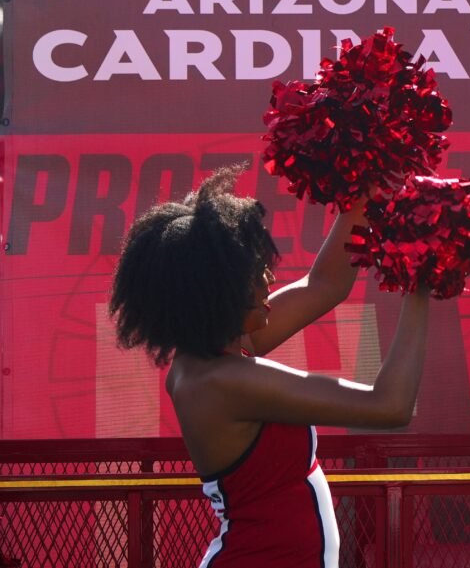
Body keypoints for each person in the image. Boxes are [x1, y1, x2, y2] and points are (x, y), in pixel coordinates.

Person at [110, 165, 431, 566]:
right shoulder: (220, 381)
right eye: (251, 276)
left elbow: (324, 285)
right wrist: (421, 285)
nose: (268, 279)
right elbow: (390, 406)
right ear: (212, 295)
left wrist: (363, 193)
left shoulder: (218, 348)